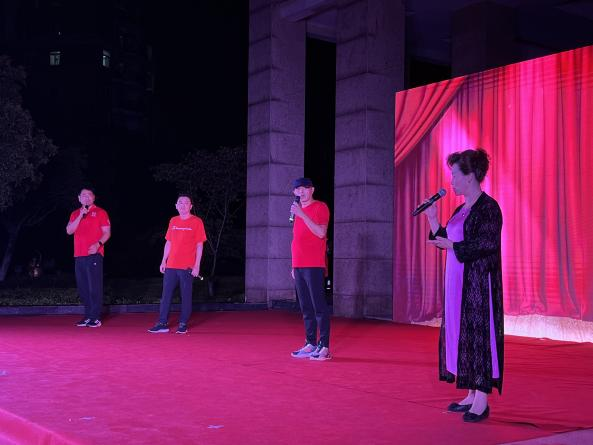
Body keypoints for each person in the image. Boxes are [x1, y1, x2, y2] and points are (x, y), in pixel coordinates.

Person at [424, 148, 504, 423]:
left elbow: (486, 243)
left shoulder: (489, 208)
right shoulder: (460, 210)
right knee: (462, 334)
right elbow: (446, 239)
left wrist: (453, 245)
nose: (451, 181)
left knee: (479, 335)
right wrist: (433, 218)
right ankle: (470, 392)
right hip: (456, 282)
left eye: (455, 175)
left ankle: (482, 398)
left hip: (477, 283)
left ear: (470, 176)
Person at [148, 195, 206, 335]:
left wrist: (197, 265)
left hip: (187, 266)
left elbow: (199, 245)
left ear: (191, 206)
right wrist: (164, 260)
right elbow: (169, 242)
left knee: (185, 295)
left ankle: (183, 323)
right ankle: (162, 323)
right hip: (171, 265)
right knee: (166, 295)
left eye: (186, 203)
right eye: (180, 202)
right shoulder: (173, 220)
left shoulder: (197, 221)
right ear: (176, 205)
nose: (183, 205)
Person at [289, 177, 332, 361]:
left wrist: (302, 214)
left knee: (318, 306)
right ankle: (310, 343)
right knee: (305, 307)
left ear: (312, 190)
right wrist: (293, 264)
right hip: (299, 264)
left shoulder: (320, 207)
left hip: (314, 264)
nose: (301, 191)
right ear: (294, 192)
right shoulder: (297, 211)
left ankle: (324, 347)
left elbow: (321, 233)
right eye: (298, 189)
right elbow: (296, 239)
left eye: (305, 188)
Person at [66, 188, 111, 327]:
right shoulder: (75, 214)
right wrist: (81, 215)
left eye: (89, 195)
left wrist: (98, 244)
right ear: (79, 198)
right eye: (84, 195)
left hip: (94, 254)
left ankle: (95, 317)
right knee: (83, 288)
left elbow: (107, 232)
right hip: (79, 255)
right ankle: (87, 315)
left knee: (94, 287)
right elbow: (69, 231)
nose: (86, 197)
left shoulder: (101, 212)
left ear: (94, 197)